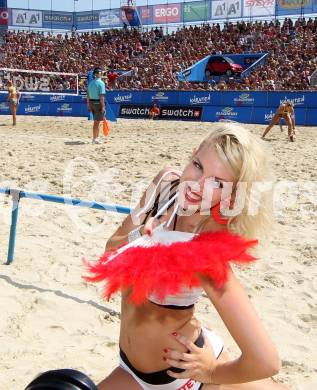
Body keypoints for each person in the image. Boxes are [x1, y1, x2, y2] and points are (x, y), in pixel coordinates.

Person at [86, 123, 288, 390]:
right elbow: (111, 251)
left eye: (217, 182)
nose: (198, 184)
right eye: (198, 165)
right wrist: (140, 237)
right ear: (192, 154)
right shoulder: (165, 187)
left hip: (182, 380)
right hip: (130, 370)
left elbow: (265, 360)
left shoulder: (205, 249)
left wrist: (214, 372)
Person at [87, 67, 106, 144]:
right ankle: (95, 139)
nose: (102, 74)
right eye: (100, 73)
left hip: (92, 103)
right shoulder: (101, 83)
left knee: (96, 122)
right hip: (98, 103)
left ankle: (96, 138)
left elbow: (88, 96)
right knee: (96, 122)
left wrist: (88, 106)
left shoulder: (91, 83)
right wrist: (103, 106)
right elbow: (101, 96)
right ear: (97, 74)